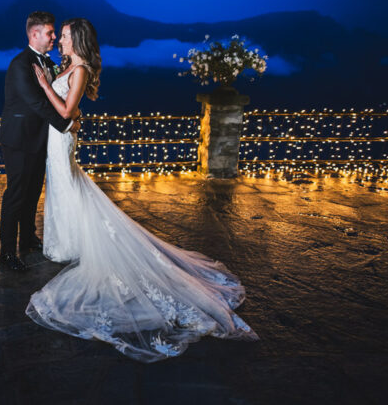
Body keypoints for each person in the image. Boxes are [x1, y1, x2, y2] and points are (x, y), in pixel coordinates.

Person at [25, 18, 258, 362]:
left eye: (65, 36)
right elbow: (69, 113)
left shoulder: (81, 70)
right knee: (64, 188)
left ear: (78, 40)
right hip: (56, 140)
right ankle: (67, 240)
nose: (60, 40)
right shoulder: (70, 66)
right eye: (59, 36)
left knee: (70, 187)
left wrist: (45, 85)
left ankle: (81, 242)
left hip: (61, 140)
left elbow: (67, 111)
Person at [0, 11, 81, 272]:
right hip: (19, 139)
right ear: (35, 34)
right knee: (16, 194)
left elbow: (54, 98)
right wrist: (67, 125)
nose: (54, 37)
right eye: (50, 33)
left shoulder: (48, 62)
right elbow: (36, 103)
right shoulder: (20, 64)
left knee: (33, 191)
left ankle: (28, 238)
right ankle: (7, 252)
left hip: (39, 138)